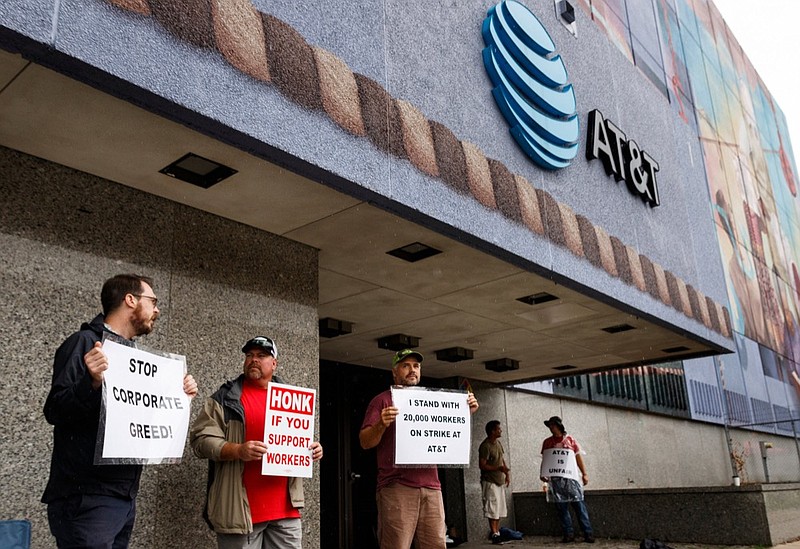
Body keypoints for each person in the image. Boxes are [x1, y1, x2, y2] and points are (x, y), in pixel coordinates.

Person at [42, 273, 199, 548]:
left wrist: (179, 397)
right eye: (153, 301)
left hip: (122, 495)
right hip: (86, 496)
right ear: (130, 300)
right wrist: (90, 382)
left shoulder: (136, 358)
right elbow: (55, 410)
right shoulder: (84, 344)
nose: (157, 309)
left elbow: (141, 418)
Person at [190, 336, 323, 549]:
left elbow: (296, 441)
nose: (254, 360)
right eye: (249, 355)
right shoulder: (224, 398)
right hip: (240, 513)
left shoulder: (292, 399)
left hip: (286, 512)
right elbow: (200, 440)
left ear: (274, 363)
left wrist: (312, 449)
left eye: (261, 356)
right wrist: (237, 450)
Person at [359, 349, 479, 549]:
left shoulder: (434, 400)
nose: (412, 370)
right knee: (396, 545)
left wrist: (464, 412)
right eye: (405, 366)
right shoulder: (382, 400)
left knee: (436, 545)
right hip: (397, 486)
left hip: (432, 487)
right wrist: (381, 424)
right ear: (394, 372)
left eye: (416, 366)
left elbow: (445, 432)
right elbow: (365, 442)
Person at [540, 416, 594, 543]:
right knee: (561, 507)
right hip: (556, 479)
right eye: (550, 425)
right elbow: (545, 459)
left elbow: (578, 457)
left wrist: (584, 473)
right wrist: (543, 473)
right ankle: (568, 533)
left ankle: (588, 532)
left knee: (579, 505)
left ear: (558, 425)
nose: (551, 428)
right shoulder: (547, 442)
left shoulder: (570, 440)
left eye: (553, 425)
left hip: (571, 478)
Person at [479, 420, 510, 544]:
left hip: (499, 480)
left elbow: (502, 460)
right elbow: (482, 465)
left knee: (499, 508)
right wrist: (498, 469)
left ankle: (497, 532)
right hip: (490, 481)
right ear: (492, 431)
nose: (500, 431)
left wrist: (506, 474)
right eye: (498, 429)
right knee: (492, 508)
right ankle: (494, 533)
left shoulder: (498, 443)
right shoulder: (485, 446)